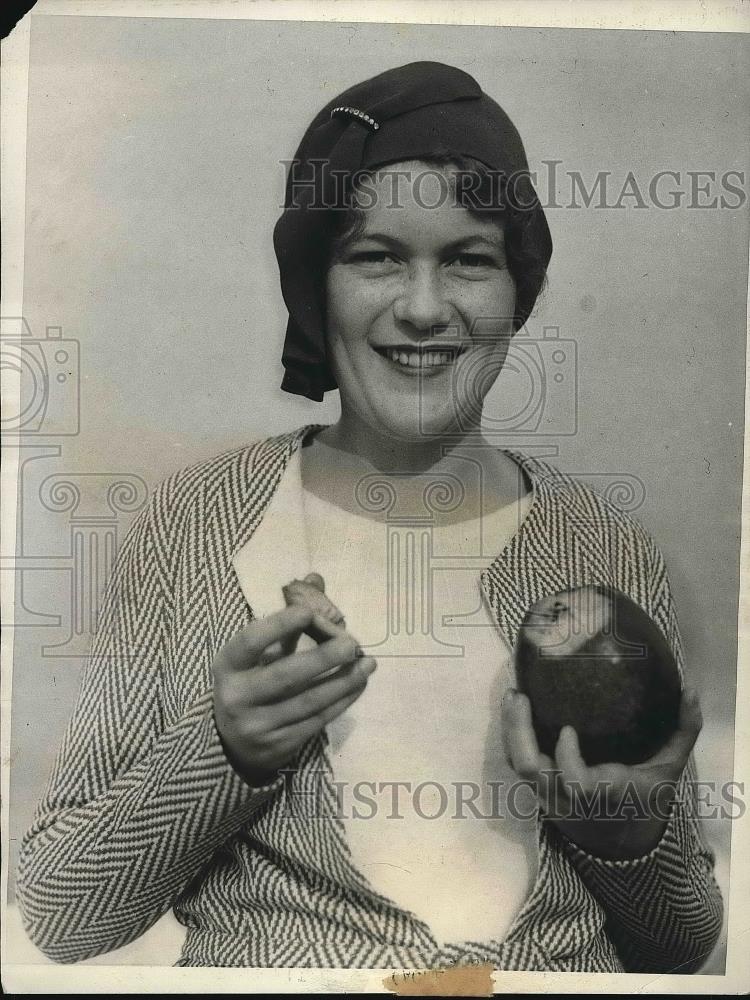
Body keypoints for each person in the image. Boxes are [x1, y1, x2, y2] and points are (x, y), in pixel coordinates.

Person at [16, 61, 722, 972]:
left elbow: (683, 949)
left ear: (519, 291)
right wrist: (225, 753)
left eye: (470, 259)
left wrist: (624, 840)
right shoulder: (196, 526)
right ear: (317, 283)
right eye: (375, 255)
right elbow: (64, 916)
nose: (424, 309)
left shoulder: (605, 547)